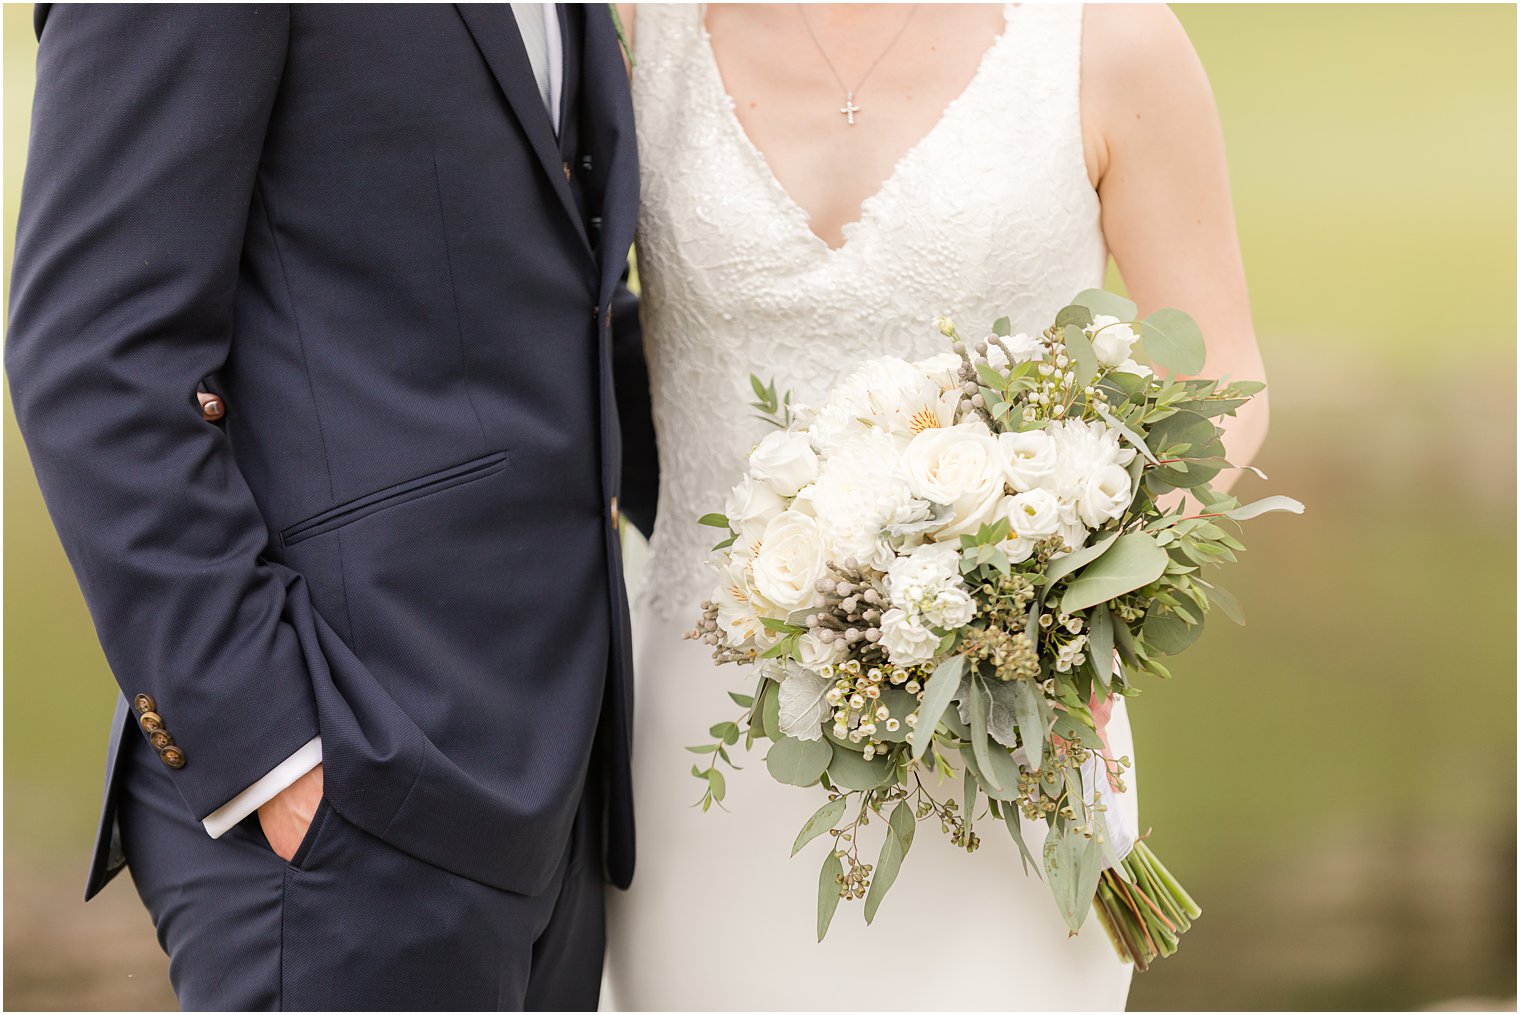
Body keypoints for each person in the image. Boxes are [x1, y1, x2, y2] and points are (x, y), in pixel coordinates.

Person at [605, 3, 1268, 1009]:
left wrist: (1067, 602)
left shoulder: (1105, 40)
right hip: (703, 751)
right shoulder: (640, 36)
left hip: (1011, 741)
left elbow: (1222, 371)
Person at [6, 5, 655, 1010]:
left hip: (548, 792)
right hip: (349, 794)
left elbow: (534, 296)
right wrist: (270, 751)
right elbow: (96, 356)